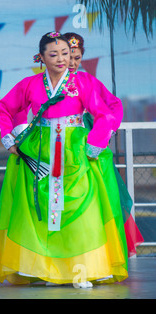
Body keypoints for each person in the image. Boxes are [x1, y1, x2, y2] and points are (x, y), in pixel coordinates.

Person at [0, 31, 129, 288]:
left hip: (74, 151)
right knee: (37, 211)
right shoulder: (29, 84)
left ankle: (81, 270)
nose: (62, 59)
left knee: (82, 210)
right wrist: (10, 138)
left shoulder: (83, 81)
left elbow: (105, 112)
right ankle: (43, 269)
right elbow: (5, 107)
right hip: (40, 150)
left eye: (65, 53)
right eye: (54, 54)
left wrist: (96, 141)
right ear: (41, 57)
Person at [64, 32, 144, 257]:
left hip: (86, 143)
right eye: (68, 56)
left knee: (98, 196)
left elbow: (113, 106)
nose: (71, 62)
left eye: (77, 58)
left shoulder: (87, 81)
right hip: (52, 145)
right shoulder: (44, 82)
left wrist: (103, 134)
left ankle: (98, 253)